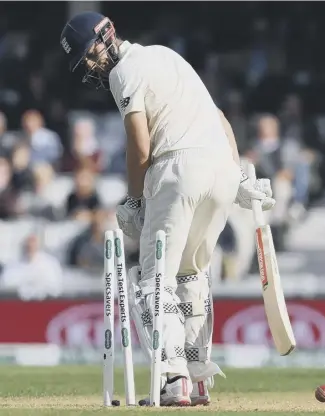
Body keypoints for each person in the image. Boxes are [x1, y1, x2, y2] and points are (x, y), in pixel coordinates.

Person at [60, 12, 275, 407]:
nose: (90, 66)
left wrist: (134, 200)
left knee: (152, 281)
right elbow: (221, 118)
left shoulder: (124, 72)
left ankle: (173, 378)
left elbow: (139, 146)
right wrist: (238, 175)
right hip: (220, 169)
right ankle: (198, 374)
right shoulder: (168, 57)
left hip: (178, 170)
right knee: (191, 277)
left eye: (89, 55)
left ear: (105, 36)